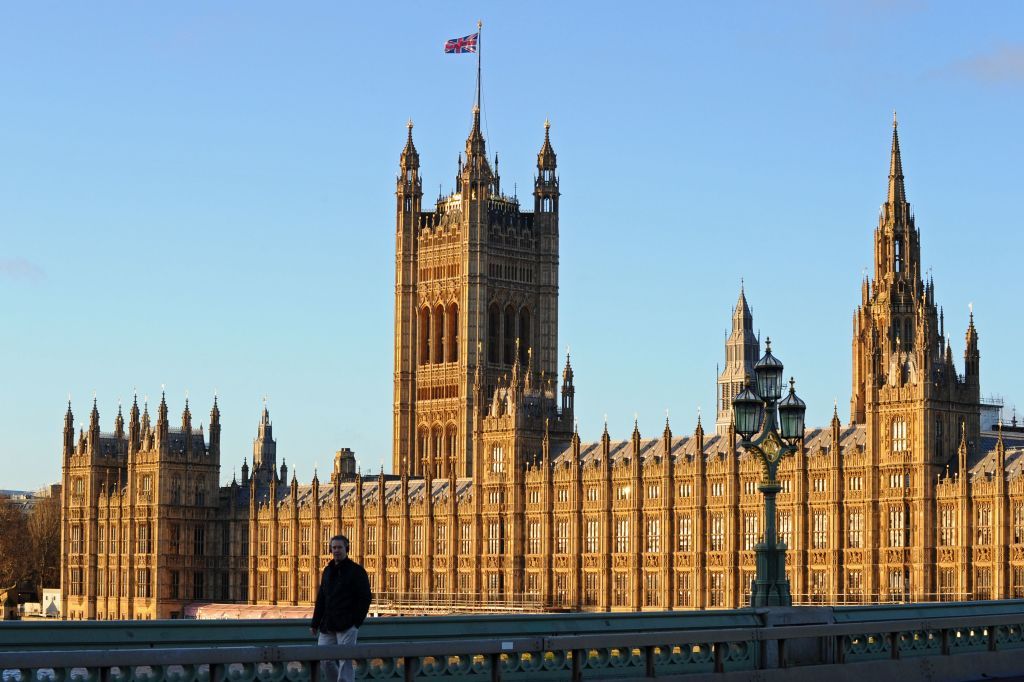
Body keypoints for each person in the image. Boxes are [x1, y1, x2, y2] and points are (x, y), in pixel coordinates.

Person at [311, 534, 372, 682]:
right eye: (334, 547)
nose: (336, 550)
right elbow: (321, 598)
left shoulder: (356, 571)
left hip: (347, 625)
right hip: (328, 624)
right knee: (324, 659)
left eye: (339, 547)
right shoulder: (327, 571)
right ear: (330, 550)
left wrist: (355, 623)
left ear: (347, 549)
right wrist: (315, 623)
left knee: (345, 662)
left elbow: (365, 598)